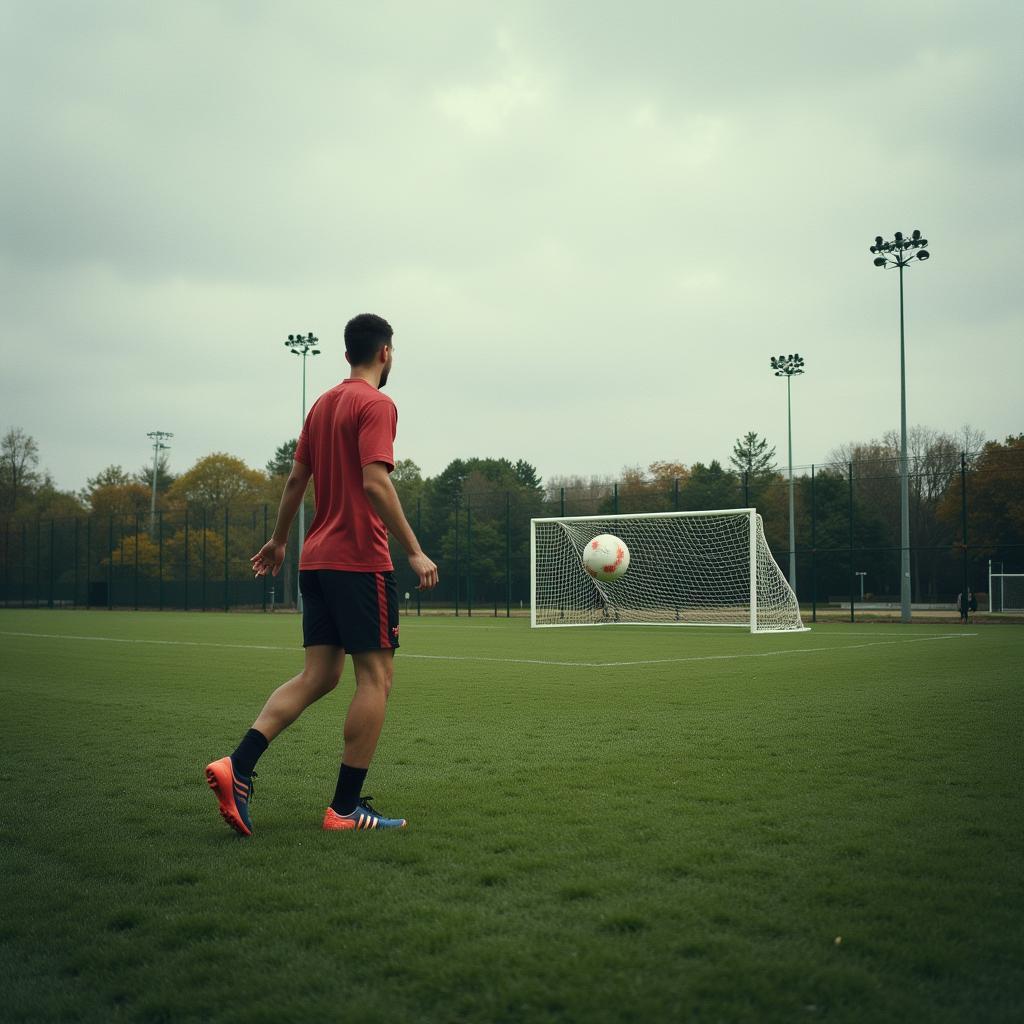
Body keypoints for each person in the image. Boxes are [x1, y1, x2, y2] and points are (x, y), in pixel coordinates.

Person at [205, 313, 438, 836]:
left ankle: (237, 765)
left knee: (320, 675)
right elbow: (376, 483)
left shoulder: (323, 404)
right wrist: (416, 551)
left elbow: (295, 480)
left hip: (316, 560)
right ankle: (345, 808)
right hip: (359, 561)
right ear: (385, 353)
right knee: (375, 678)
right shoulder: (376, 404)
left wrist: (281, 538)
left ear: (347, 352)